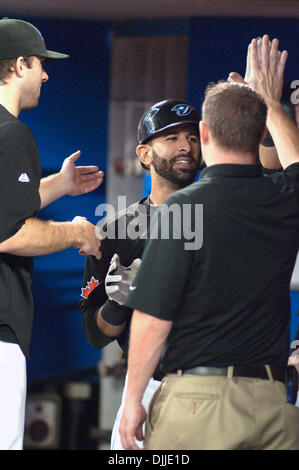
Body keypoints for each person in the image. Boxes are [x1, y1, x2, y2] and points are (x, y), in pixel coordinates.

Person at [119, 35, 299, 450]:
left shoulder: (184, 207)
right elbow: (294, 163)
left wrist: (132, 401)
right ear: (259, 133)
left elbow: (152, 318)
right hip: (274, 404)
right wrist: (270, 104)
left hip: (199, 407)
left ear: (204, 133)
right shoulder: (285, 198)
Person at [0, 18, 103, 450]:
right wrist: (74, 232)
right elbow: (9, 234)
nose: (45, 73)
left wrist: (57, 186)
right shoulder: (13, 132)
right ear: (19, 64)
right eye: (40, 63)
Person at [79, 98, 202, 449]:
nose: (185, 146)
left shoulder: (221, 218)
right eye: (171, 137)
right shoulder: (116, 231)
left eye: (192, 137)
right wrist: (118, 304)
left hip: (209, 385)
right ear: (145, 155)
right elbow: (95, 334)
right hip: (145, 387)